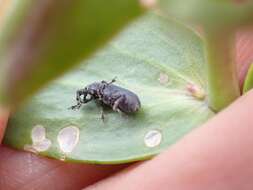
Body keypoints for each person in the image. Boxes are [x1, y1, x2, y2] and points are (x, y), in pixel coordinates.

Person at [0, 31, 252, 190]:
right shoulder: (98, 91)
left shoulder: (103, 92)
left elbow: (103, 95)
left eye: (89, 95)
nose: (89, 96)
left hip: (129, 102)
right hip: (126, 99)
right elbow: (96, 96)